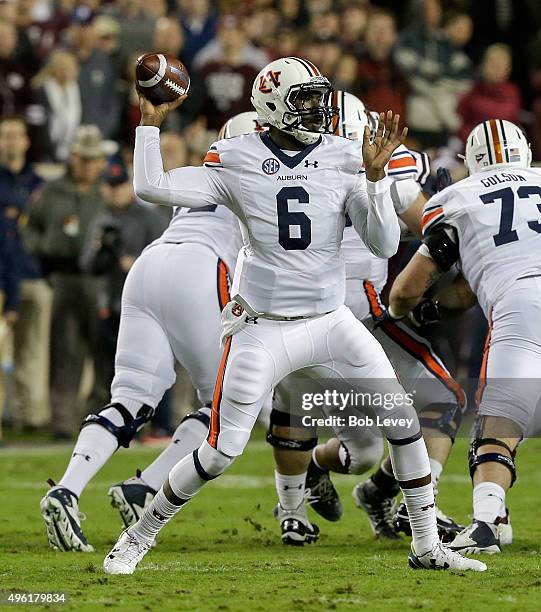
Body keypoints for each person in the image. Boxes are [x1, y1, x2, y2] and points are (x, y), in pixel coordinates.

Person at [103, 56, 485, 574]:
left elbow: (384, 241)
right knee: (219, 454)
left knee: (401, 423)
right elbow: (152, 188)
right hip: (263, 328)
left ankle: (425, 545)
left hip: (331, 323)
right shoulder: (235, 156)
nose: (318, 108)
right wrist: (149, 126)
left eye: (320, 96)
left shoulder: (345, 155)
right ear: (272, 105)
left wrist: (373, 183)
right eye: (304, 98)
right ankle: (136, 538)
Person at [39, 115, 248, 551]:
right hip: (201, 269)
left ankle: (68, 489)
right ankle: (147, 485)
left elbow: (153, 186)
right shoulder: (265, 176)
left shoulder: (201, 173)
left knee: (130, 397)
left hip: (149, 267)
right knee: (225, 409)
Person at [265, 92, 465, 544]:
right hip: (320, 318)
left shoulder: (379, 173)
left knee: (365, 449)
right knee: (432, 406)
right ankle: (409, 511)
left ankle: (339, 481)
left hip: (360, 322)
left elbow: (429, 229)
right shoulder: (296, 173)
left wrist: (445, 209)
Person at [383, 119, 540, 555]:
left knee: (499, 422)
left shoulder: (457, 199)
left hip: (522, 306)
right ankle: (499, 519)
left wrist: (403, 313)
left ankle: (488, 521)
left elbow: (405, 290)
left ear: (471, 160)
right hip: (520, 291)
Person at [23, 124, 107, 439]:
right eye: (82, 158)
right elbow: (29, 230)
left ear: (100, 161)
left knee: (105, 351)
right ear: (72, 158)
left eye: (92, 159)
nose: (87, 164)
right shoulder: (51, 191)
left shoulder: (108, 190)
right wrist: (43, 252)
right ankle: (62, 421)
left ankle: (101, 418)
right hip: (63, 276)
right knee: (65, 351)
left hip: (100, 280)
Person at [81, 158, 167, 411]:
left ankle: (153, 421)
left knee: (148, 365)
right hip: (108, 302)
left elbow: (167, 256)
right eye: (111, 185)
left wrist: (137, 263)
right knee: (106, 367)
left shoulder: (149, 217)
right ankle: (111, 417)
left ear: (129, 184)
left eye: (120, 184)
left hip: (144, 305)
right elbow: (87, 265)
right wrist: (101, 254)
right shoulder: (101, 219)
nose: (116, 190)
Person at [0, 116, 51, 431]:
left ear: (26, 141)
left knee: (33, 349)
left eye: (16, 135)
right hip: (3, 275)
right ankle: (6, 416)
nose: (11, 141)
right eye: (5, 135)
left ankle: (29, 416)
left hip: (33, 274)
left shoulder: (39, 183)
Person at [457, 44, 521, 145]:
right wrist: (474, 139)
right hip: (474, 145)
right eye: (493, 65)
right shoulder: (472, 91)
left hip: (504, 145)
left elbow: (504, 116)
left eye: (501, 66)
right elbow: (461, 123)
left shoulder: (511, 92)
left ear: (508, 69)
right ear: (483, 66)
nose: (496, 70)